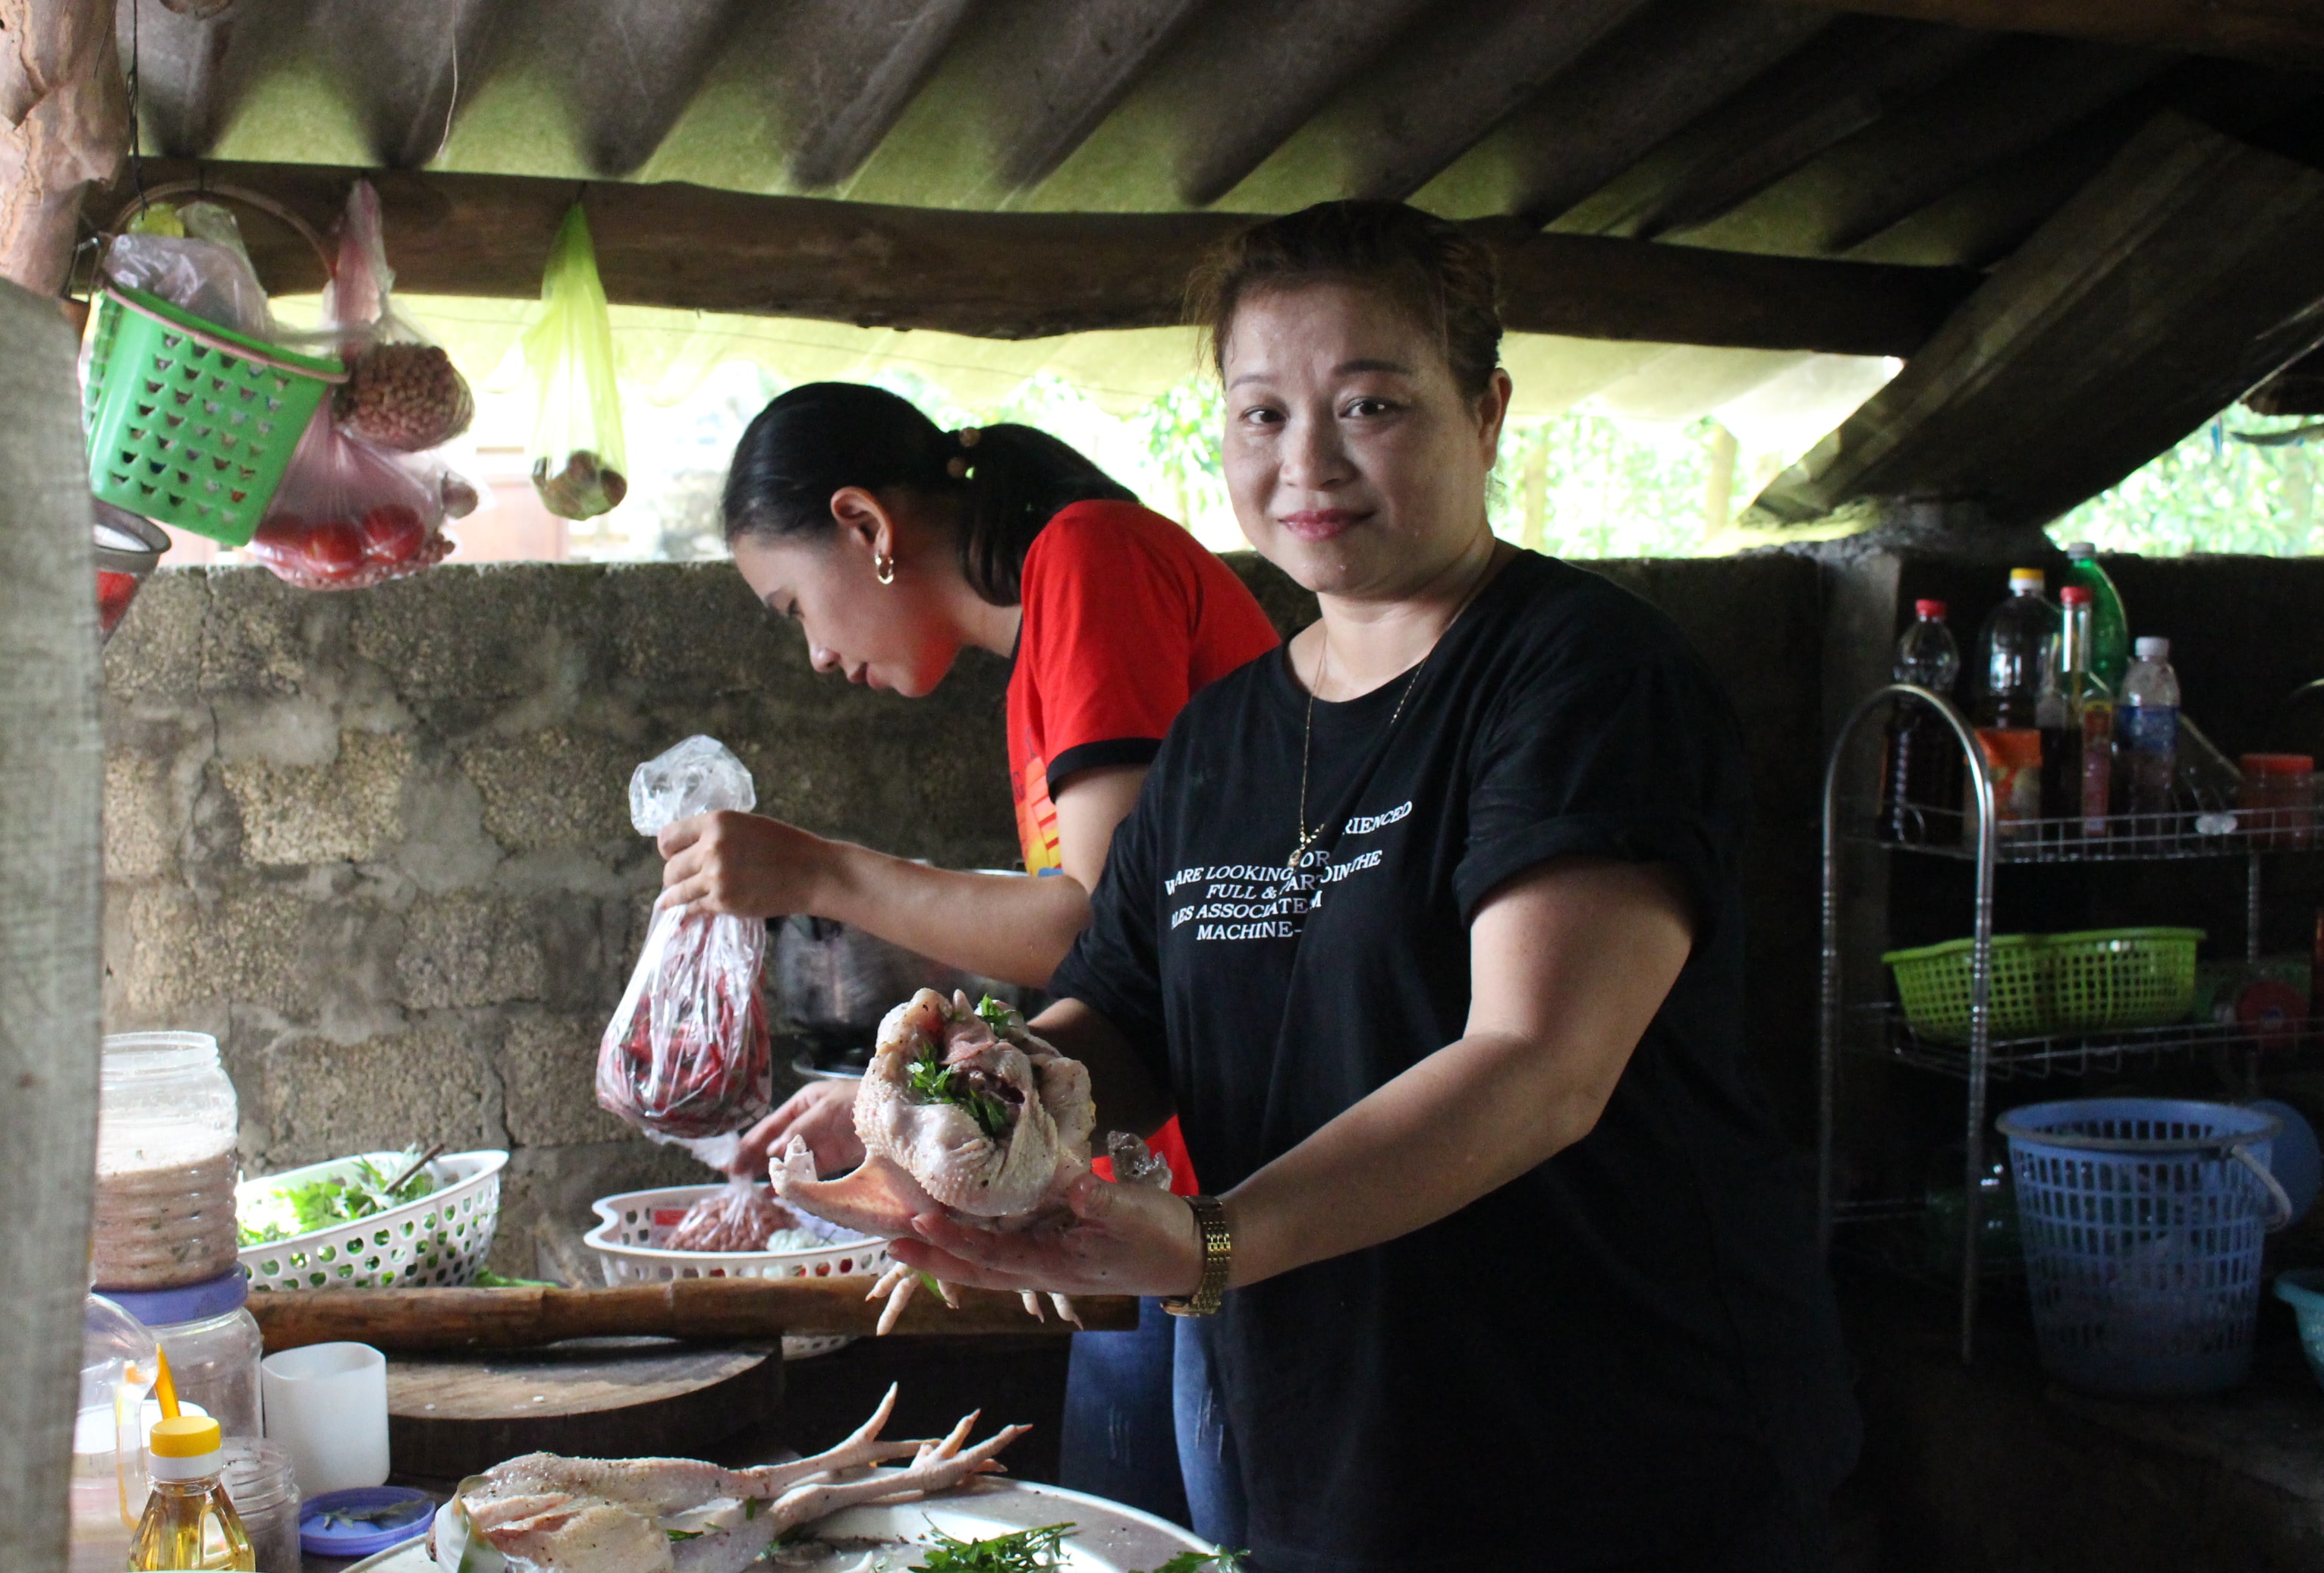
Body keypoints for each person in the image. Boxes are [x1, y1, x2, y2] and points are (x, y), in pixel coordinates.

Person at [884, 202, 1861, 1572]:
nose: (1308, 464)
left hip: (1616, 1453)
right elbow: (1123, 1026)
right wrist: (957, 1110)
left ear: (1487, 409)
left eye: (1371, 404)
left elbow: (1538, 1063)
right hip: (1326, 1441)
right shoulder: (1223, 736)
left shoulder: (1586, 679)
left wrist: (1209, 1244)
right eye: (1261, 414)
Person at [659, 380, 1282, 1524]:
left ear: (865, 525)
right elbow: (1112, 965)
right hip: (1160, 1182)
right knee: (1124, 1514)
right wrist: (906, 1112)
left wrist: (818, 872)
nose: (814, 652)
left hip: (1249, 1191)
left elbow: (1089, 924)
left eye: (793, 603)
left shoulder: (1093, 560)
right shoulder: (1043, 642)